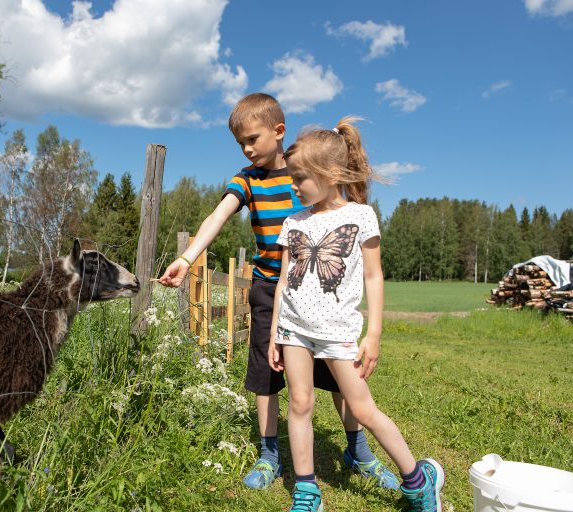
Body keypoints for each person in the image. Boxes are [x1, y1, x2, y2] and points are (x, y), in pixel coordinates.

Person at [158, 93, 397, 491]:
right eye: (241, 144)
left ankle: (357, 449)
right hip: (272, 288)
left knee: (339, 374)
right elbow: (218, 216)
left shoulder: (309, 169)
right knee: (266, 374)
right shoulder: (246, 180)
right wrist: (187, 259)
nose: (247, 149)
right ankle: (270, 454)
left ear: (279, 132)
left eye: (252, 139)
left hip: (322, 290)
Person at [268, 120, 445, 511]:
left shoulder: (361, 216)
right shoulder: (292, 222)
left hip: (338, 334)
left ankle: (418, 481)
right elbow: (283, 283)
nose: (293, 186)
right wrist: (274, 336)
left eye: (300, 178)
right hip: (294, 330)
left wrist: (375, 333)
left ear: (330, 175)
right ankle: (306, 490)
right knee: (299, 404)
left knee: (362, 409)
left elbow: (373, 276)